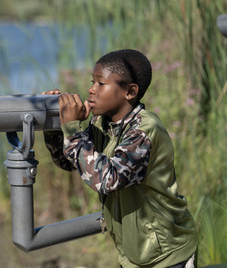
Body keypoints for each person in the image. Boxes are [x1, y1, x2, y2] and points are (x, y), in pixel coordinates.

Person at [42, 49, 198, 268]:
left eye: (100, 84)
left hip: (169, 256)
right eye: (92, 82)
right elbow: (70, 162)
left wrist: (73, 130)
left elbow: (107, 180)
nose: (91, 90)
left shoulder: (144, 131)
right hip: (135, 255)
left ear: (130, 91)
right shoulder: (101, 123)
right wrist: (53, 126)